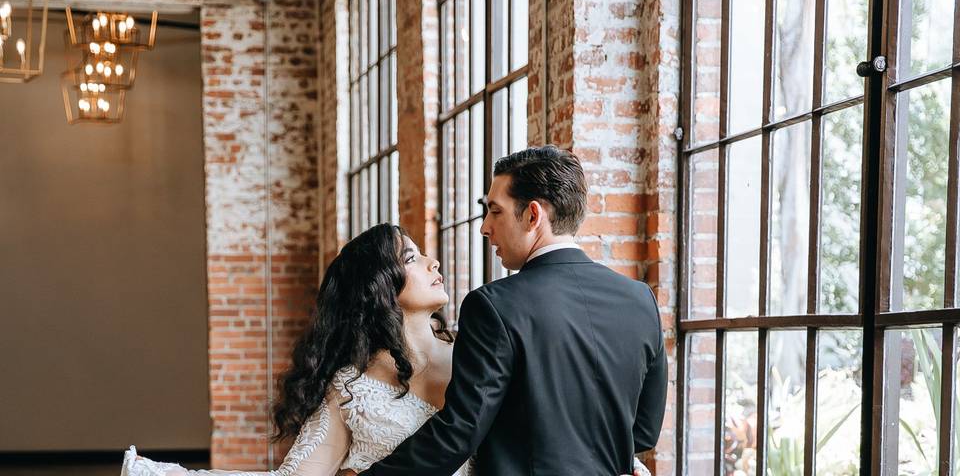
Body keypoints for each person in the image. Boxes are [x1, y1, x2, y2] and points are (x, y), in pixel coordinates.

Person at [357, 145, 667, 476]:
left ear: (533, 215)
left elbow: (459, 433)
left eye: (495, 211)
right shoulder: (640, 299)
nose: (484, 227)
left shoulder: (493, 306)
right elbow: (644, 430)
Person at [120, 224, 472, 476]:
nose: (433, 262)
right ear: (380, 286)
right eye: (411, 258)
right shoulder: (352, 387)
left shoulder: (476, 353)